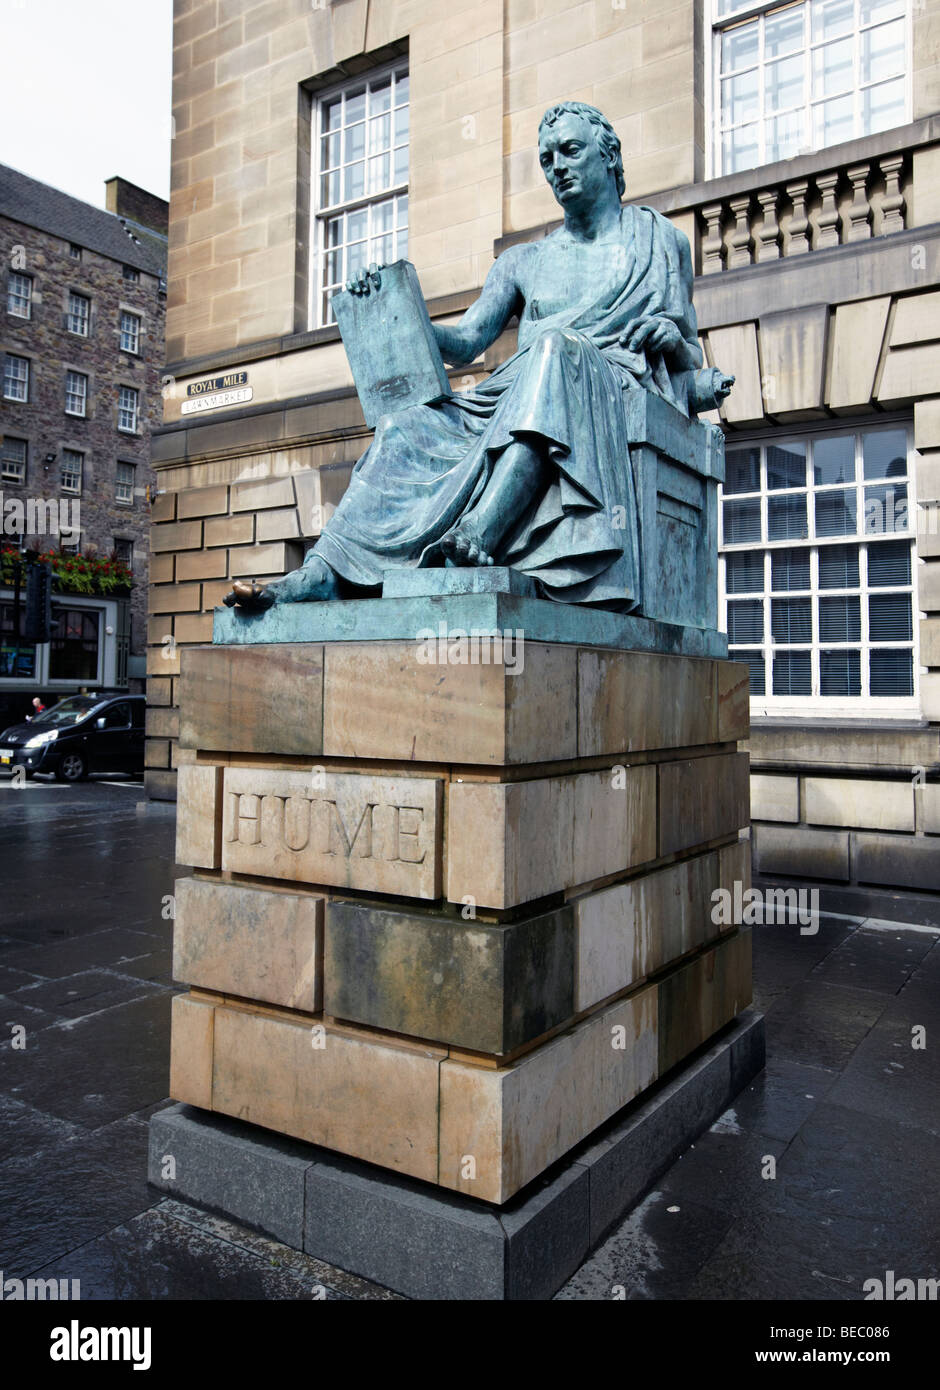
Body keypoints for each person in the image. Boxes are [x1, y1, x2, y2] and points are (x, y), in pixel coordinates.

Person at [226, 101, 732, 614]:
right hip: (517, 397)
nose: (556, 166)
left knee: (556, 348)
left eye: (570, 151)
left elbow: (689, 362)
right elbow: (468, 341)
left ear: (610, 156)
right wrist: (392, 308)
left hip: (601, 390)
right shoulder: (524, 261)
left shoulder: (660, 242)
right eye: (546, 159)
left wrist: (669, 336)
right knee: (406, 425)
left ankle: (481, 532)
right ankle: (324, 571)